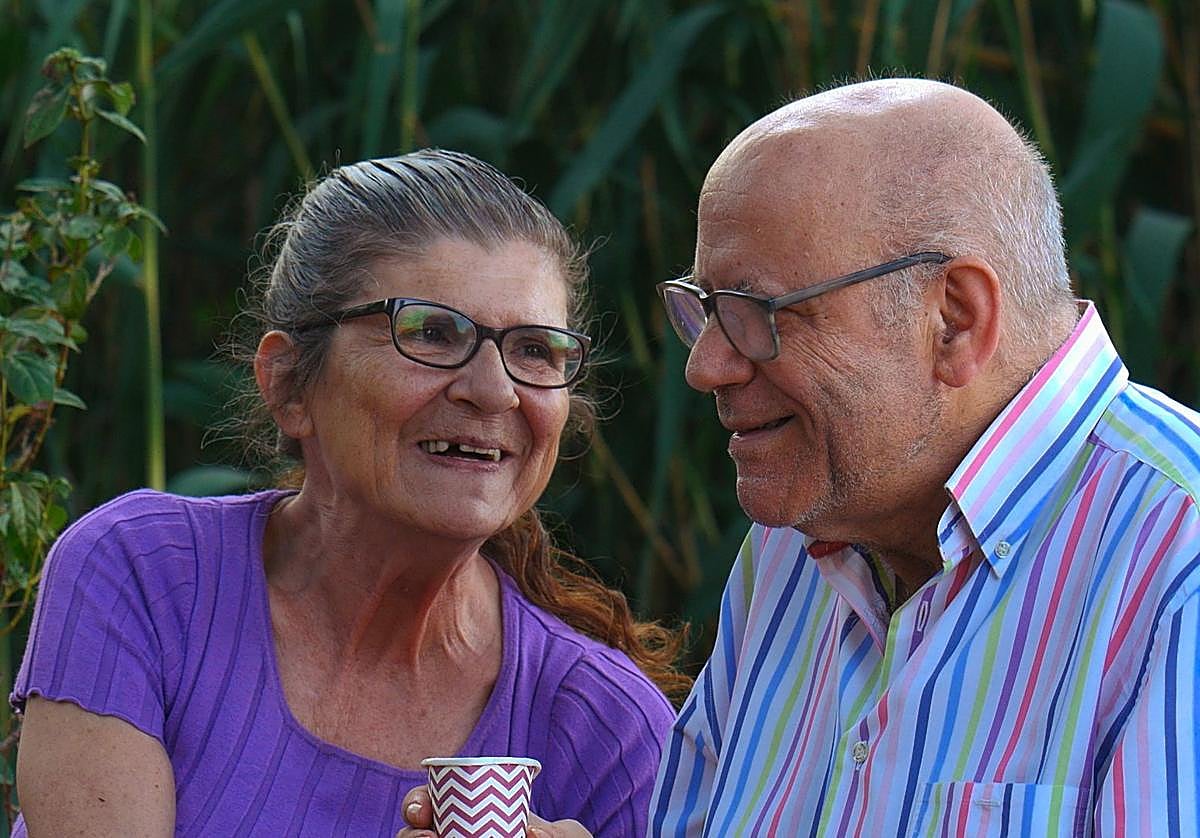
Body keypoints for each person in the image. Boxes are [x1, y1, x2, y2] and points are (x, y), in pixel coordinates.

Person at [11, 149, 688, 837]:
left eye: (536, 350)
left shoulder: (610, 732)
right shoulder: (145, 578)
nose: (494, 391)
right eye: (430, 332)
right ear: (288, 384)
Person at [640, 78, 1200, 835]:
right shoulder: (792, 540)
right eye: (704, 310)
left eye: (757, 313)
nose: (705, 366)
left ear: (955, 320)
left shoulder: (1178, 564)